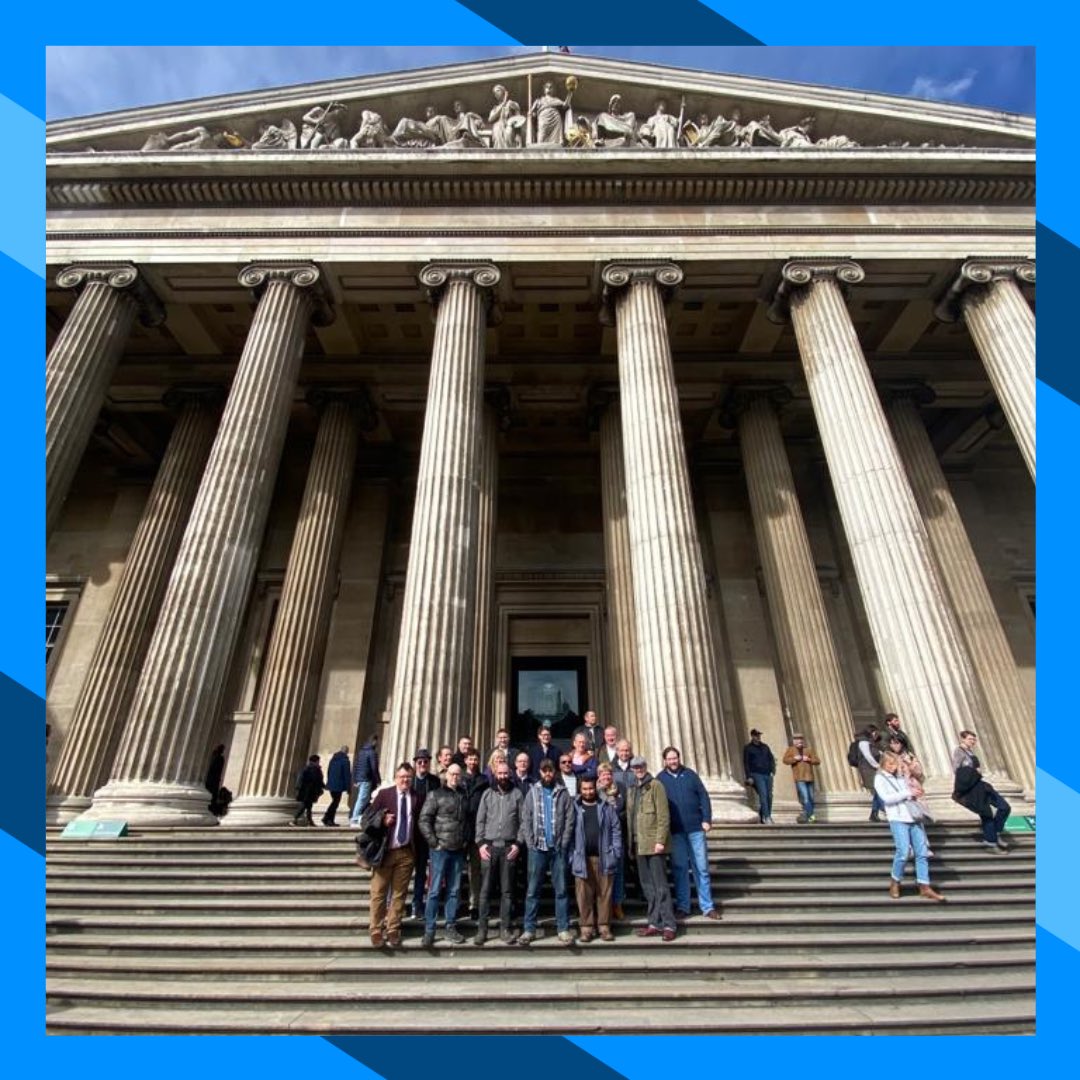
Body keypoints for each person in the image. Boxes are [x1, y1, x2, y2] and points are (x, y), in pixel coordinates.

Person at [517, 758, 576, 945]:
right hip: (538, 848)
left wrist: (565, 841)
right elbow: (525, 818)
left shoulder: (563, 792)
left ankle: (563, 928)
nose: (547, 774)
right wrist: (530, 841)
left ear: (554, 772)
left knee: (561, 891)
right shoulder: (532, 792)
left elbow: (570, 818)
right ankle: (529, 929)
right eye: (544, 771)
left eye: (550, 771)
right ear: (540, 772)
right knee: (532, 891)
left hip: (557, 848)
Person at [657, 747, 719, 921]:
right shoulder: (660, 779)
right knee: (680, 869)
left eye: (675, 758)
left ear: (679, 758)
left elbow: (703, 797)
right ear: (664, 761)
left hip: (696, 829)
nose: (673, 762)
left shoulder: (691, 775)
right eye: (669, 759)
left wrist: (707, 819)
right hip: (676, 831)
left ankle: (707, 906)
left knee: (702, 868)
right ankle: (683, 906)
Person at [874, 752, 946, 901]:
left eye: (895, 764)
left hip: (913, 817)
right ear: (883, 764)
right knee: (903, 852)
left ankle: (924, 886)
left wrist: (914, 793)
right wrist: (907, 792)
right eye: (890, 764)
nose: (893, 767)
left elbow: (907, 794)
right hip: (897, 818)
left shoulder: (901, 778)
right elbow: (886, 799)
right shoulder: (879, 779)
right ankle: (895, 881)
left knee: (922, 852)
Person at [366, 762, 419, 947]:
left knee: (399, 893)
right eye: (402, 777)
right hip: (386, 851)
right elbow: (367, 819)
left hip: (405, 852)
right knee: (379, 892)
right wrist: (382, 818)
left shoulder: (415, 797)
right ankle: (375, 929)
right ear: (396, 778)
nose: (405, 780)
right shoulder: (384, 795)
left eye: (408, 777)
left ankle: (393, 928)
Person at [418, 763, 470, 947]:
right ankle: (429, 929)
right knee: (434, 890)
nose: (455, 777)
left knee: (454, 891)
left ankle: (450, 925)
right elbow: (424, 820)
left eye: (458, 774)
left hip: (457, 850)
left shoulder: (464, 796)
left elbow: (467, 822)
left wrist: (465, 841)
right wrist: (434, 843)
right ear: (446, 775)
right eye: (452, 774)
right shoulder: (435, 795)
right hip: (440, 850)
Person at [473, 760, 524, 945]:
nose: (503, 776)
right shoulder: (487, 794)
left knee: (507, 891)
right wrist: (480, 844)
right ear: (495, 774)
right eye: (500, 773)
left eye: (505, 773)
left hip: (509, 848)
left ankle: (505, 928)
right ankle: (482, 929)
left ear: (509, 774)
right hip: (489, 847)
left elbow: (523, 821)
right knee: (485, 891)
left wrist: (518, 844)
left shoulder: (517, 794)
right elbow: (480, 821)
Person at [627, 756, 677, 941]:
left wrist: (660, 841)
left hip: (654, 844)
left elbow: (664, 816)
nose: (638, 769)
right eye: (634, 767)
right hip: (639, 844)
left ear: (645, 767)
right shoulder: (632, 789)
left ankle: (669, 924)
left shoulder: (656, 786)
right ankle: (654, 922)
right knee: (648, 887)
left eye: (640, 766)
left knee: (661, 886)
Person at [570, 776, 622, 942]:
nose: (588, 792)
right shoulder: (574, 807)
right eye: (584, 789)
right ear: (580, 790)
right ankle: (586, 928)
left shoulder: (606, 807)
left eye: (591, 788)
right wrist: (572, 855)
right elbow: (568, 832)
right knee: (583, 894)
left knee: (604, 893)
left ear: (595, 788)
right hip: (582, 858)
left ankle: (604, 926)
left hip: (604, 857)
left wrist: (615, 852)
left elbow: (616, 829)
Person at [952, 731, 1012, 852]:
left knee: (1004, 807)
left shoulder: (970, 752)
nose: (972, 742)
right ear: (962, 739)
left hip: (981, 784)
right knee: (986, 814)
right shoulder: (958, 751)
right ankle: (991, 843)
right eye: (970, 739)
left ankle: (995, 833)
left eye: (974, 740)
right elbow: (957, 770)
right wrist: (974, 772)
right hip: (972, 787)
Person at [409, 749, 441, 919]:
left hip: (429, 833)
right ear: (415, 764)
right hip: (411, 833)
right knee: (406, 871)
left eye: (426, 762)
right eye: (420, 762)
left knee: (423, 871)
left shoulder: (435, 782)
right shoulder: (409, 781)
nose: (423, 764)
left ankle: (419, 904)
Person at [596, 762, 628, 920]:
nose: (606, 777)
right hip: (599, 838)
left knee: (618, 872)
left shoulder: (620, 788)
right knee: (601, 873)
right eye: (603, 774)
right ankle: (604, 905)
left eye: (608, 774)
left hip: (617, 836)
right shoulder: (593, 792)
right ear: (599, 776)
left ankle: (617, 903)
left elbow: (626, 809)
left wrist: (615, 815)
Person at [461, 748, 490, 920]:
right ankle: (456, 902)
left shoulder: (484, 780)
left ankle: (474, 904)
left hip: (478, 832)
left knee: (475, 870)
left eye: (475, 759)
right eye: (470, 759)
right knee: (457, 870)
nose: (472, 762)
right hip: (460, 831)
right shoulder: (459, 779)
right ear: (465, 761)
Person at [782, 734, 821, 824]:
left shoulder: (808, 750)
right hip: (799, 778)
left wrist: (809, 759)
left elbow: (817, 761)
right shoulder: (791, 750)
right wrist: (794, 759)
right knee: (806, 798)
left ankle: (810, 816)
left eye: (800, 739)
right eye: (796, 740)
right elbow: (785, 760)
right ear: (794, 741)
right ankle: (811, 817)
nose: (799, 741)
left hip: (809, 777)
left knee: (811, 798)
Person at [743, 729, 776, 824]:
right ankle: (767, 817)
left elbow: (771, 759)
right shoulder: (748, 748)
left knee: (769, 796)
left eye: (759, 735)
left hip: (767, 774)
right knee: (763, 795)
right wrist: (749, 776)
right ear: (752, 736)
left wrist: (772, 771)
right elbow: (746, 763)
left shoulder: (765, 747)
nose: (758, 737)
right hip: (756, 774)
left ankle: (763, 815)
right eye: (756, 735)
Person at [855, 725, 885, 821]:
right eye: (875, 733)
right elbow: (868, 756)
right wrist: (877, 765)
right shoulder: (863, 742)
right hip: (869, 770)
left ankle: (874, 813)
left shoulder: (870, 743)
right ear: (870, 732)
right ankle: (885, 808)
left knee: (877, 790)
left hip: (873, 769)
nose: (877, 735)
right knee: (879, 790)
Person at [348, 735, 380, 826]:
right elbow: (374, 767)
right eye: (376, 741)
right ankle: (355, 818)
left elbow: (356, 766)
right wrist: (378, 779)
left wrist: (355, 779)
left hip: (360, 778)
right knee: (362, 799)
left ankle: (358, 816)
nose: (377, 743)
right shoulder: (372, 752)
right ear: (373, 741)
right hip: (366, 778)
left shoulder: (361, 752)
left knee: (362, 798)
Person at [530, 81, 569, 145]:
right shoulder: (539, 100)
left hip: (555, 118)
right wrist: (532, 114)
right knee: (541, 136)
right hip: (543, 118)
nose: (549, 89)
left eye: (551, 87)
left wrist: (570, 92)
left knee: (555, 141)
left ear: (553, 90)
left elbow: (565, 105)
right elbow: (531, 112)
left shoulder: (556, 100)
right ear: (544, 90)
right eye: (547, 87)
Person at [291, 754, 324, 826]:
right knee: (304, 806)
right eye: (318, 761)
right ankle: (295, 819)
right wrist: (323, 787)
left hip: (309, 791)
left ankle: (310, 821)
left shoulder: (310, 769)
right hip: (308, 791)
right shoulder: (312, 769)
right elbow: (317, 780)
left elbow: (318, 781)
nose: (319, 762)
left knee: (309, 807)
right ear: (315, 761)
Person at [323, 745, 351, 827]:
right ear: (346, 751)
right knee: (335, 803)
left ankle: (328, 818)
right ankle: (328, 818)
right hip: (339, 785)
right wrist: (348, 787)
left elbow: (328, 771)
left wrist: (329, 782)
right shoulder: (345, 761)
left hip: (332, 785)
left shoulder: (333, 759)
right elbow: (347, 775)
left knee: (334, 802)